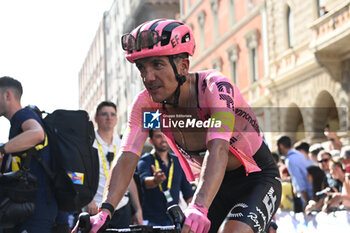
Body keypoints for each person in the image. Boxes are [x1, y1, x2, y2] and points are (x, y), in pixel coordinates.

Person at [73, 18, 281, 233]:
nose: (148, 77)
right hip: (214, 184)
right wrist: (105, 211)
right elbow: (128, 156)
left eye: (157, 64)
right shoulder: (148, 106)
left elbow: (218, 147)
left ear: (183, 66)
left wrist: (199, 207)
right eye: (142, 67)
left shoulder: (214, 88)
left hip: (256, 179)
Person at [0, 76, 57, 232]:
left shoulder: (22, 115)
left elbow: (37, 134)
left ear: (7, 96)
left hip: (39, 208)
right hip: (32, 207)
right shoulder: (18, 120)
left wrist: (2, 149)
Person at [85, 101, 143, 228]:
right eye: (104, 114)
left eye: (112, 114)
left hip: (121, 207)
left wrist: (138, 208)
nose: (109, 117)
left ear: (117, 119)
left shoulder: (122, 143)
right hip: (95, 208)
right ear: (96, 119)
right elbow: (79, 175)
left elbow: (129, 178)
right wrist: (88, 200)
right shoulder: (87, 142)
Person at [137, 129, 193, 226]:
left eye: (165, 136)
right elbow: (144, 182)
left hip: (174, 221)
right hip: (151, 221)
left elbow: (188, 193)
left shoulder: (177, 160)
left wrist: (193, 215)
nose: (163, 139)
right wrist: (155, 180)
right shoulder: (145, 160)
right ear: (151, 141)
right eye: (158, 136)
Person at [277, 135, 312, 209]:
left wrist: (306, 202)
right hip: (311, 191)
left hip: (307, 195)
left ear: (281, 146)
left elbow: (300, 182)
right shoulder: (297, 154)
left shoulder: (290, 160)